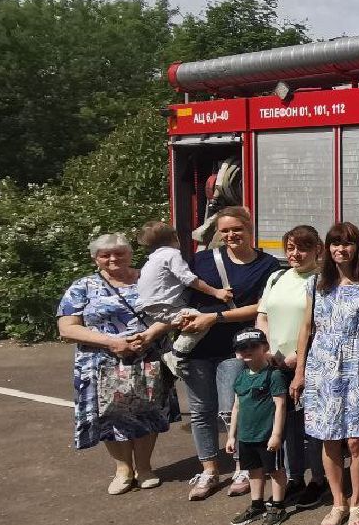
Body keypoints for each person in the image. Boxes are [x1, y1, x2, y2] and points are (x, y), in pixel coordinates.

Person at [174, 207, 282, 502]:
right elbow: (183, 294)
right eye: (225, 230)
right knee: (200, 412)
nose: (232, 235)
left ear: (250, 229)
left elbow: (262, 306)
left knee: (231, 410)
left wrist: (215, 317)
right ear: (218, 233)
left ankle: (242, 468)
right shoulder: (204, 260)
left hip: (238, 349)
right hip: (197, 347)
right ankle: (209, 470)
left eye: (237, 229)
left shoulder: (267, 265)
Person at [56, 233, 171, 494]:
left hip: (146, 358)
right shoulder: (82, 287)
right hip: (100, 362)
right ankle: (123, 470)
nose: (112, 259)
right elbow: (67, 328)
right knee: (110, 415)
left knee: (147, 412)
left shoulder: (149, 279)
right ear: (95, 258)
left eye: (119, 253)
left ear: (130, 254)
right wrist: (110, 342)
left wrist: (150, 334)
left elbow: (172, 312)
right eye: (105, 255)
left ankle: (144, 467)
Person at [292, 222, 359, 525]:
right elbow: (306, 330)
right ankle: (338, 502)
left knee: (357, 439)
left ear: (357, 248)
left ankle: (358, 501)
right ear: (327, 248)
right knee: (328, 438)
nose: (340, 249)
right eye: (334, 243)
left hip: (356, 365)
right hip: (321, 367)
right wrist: (300, 372)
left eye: (346, 244)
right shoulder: (316, 284)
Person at [255, 225, 326, 507]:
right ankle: (295, 478)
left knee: (311, 426)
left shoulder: (321, 280)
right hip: (273, 363)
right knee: (285, 426)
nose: (296, 254)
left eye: (303, 248)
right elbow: (263, 316)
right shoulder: (276, 277)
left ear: (317, 250)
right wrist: (266, 351)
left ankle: (318, 479)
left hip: (307, 363)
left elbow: (321, 324)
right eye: (291, 248)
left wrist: (300, 356)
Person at [224, 328, 291, 525]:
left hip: (267, 435)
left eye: (253, 346)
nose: (247, 351)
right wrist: (231, 436)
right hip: (246, 436)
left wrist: (277, 435)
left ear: (265, 348)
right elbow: (236, 407)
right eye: (242, 347)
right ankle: (257, 504)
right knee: (253, 470)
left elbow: (281, 405)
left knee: (275, 470)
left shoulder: (274, 375)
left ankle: (278, 506)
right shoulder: (240, 377)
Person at [132, 220, 232, 346]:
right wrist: (216, 292)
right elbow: (189, 279)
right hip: (164, 305)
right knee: (198, 320)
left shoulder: (152, 259)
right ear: (175, 237)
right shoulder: (172, 254)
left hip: (147, 306)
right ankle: (178, 353)